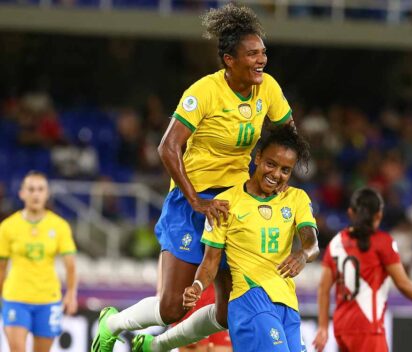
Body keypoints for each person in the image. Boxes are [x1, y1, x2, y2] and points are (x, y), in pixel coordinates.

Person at [91, 4, 295, 351]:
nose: (261, 60)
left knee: (230, 312)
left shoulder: (268, 89)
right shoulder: (203, 92)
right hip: (194, 202)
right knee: (172, 307)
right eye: (252, 54)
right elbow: (168, 147)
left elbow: (288, 136)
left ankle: (154, 347)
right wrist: (195, 199)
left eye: (263, 52)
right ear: (229, 60)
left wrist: (274, 173)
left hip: (233, 205)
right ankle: (112, 322)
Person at [134, 125, 319, 351]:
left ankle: (154, 347)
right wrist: (198, 285)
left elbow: (311, 241)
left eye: (285, 170)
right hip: (249, 301)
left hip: (287, 304)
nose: (276, 174)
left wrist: (303, 254)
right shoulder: (225, 203)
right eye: (271, 164)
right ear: (258, 158)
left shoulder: (296, 198)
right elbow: (211, 260)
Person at [312, 187, 412, 352]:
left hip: (341, 328)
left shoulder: (336, 243)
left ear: (351, 213)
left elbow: (323, 288)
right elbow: (402, 283)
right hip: (368, 328)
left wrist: (323, 327)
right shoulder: (382, 242)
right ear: (379, 215)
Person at [0, 171, 78, 352]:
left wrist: (71, 294)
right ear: (22, 193)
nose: (36, 194)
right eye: (31, 189)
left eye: (40, 189)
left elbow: (71, 265)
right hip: (15, 298)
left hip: (48, 300)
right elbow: (1, 268)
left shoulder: (59, 226)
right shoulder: (7, 227)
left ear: (47, 194)